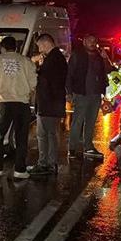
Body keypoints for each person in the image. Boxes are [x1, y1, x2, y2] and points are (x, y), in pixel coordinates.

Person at [0, 36, 37, 180]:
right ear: (16, 48)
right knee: (21, 137)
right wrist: (28, 93)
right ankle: (19, 169)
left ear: (2, 48)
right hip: (21, 103)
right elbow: (33, 83)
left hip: (3, 103)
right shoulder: (26, 61)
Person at [29, 34, 68, 175]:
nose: (39, 50)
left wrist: (36, 68)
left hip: (48, 105)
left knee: (45, 135)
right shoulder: (57, 58)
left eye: (40, 46)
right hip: (52, 104)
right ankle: (48, 163)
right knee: (49, 135)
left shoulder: (53, 59)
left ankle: (46, 164)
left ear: (45, 44)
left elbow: (45, 81)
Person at [66, 35, 109, 159]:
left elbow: (108, 70)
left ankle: (88, 147)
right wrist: (69, 92)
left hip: (96, 95)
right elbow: (69, 74)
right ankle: (72, 148)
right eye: (90, 41)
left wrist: (105, 59)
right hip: (81, 93)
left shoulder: (99, 56)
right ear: (84, 41)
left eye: (94, 41)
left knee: (91, 122)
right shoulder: (77, 55)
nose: (92, 43)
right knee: (77, 121)